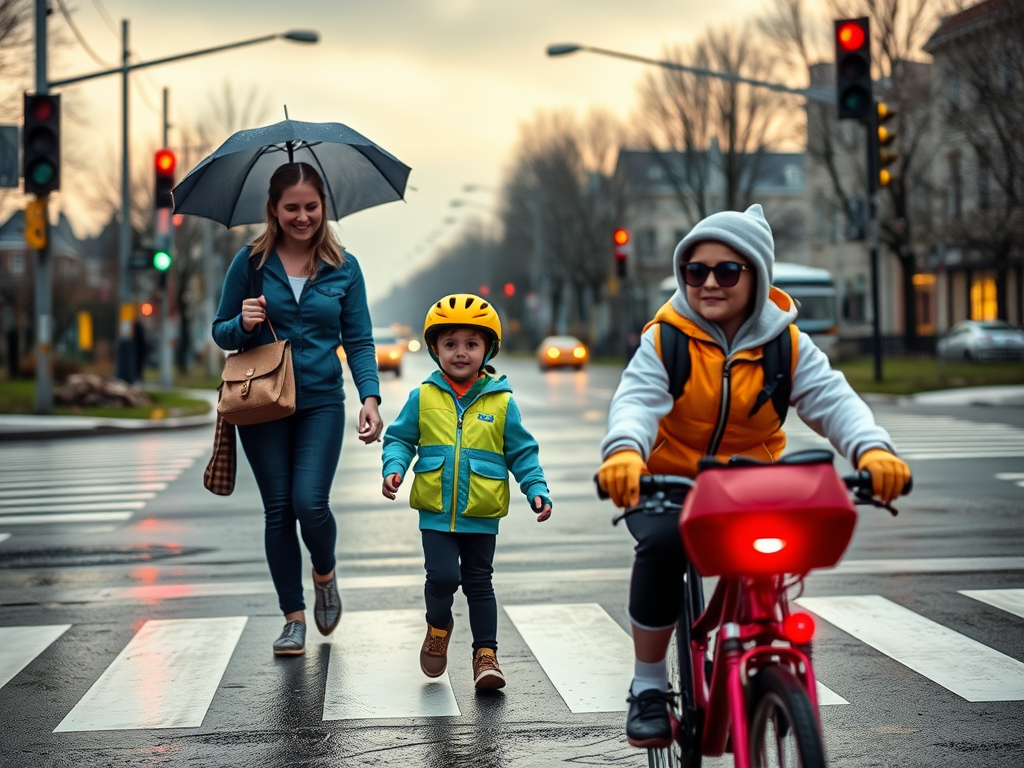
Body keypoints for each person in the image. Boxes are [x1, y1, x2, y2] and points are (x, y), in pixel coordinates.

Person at [596, 204, 911, 748]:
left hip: (751, 487)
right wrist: (625, 452)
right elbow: (636, 402)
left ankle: (765, 654)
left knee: (781, 553)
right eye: (696, 270)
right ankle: (648, 686)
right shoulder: (666, 340)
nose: (709, 282)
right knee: (664, 548)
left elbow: (835, 401)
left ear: (757, 276)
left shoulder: (786, 345)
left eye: (727, 270)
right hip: (670, 485)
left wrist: (873, 452)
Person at [213, 161, 383, 656]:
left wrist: (369, 396)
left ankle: (324, 573)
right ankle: (293, 619)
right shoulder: (249, 263)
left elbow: (360, 339)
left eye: (311, 207)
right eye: (292, 207)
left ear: (324, 208)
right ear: (273, 209)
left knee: (311, 502)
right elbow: (220, 329)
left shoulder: (344, 268)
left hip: (321, 401)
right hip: (262, 401)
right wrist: (242, 323)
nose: (303, 216)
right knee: (278, 511)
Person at [381, 294, 552, 690]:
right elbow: (400, 439)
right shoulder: (422, 397)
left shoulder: (502, 402)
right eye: (451, 344)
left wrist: (536, 489)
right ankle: (438, 626)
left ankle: (485, 656)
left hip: (482, 512)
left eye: (471, 344)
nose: (461, 353)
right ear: (435, 349)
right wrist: (394, 468)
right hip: (436, 512)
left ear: (488, 349)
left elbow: (523, 452)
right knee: (441, 578)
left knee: (479, 583)